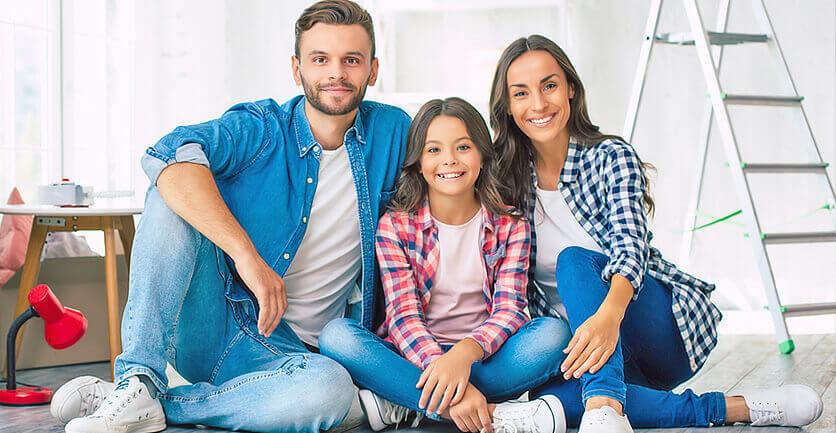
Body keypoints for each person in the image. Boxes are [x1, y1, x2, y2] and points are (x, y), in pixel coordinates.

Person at [48, 1, 411, 432]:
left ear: (373, 70)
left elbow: (455, 172)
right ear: (297, 69)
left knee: (329, 389)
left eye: (351, 60)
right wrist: (246, 256)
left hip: (303, 360)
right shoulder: (261, 128)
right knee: (172, 188)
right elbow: (168, 154)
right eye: (320, 59)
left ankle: (154, 402)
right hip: (218, 323)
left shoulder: (393, 132)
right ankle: (139, 376)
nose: (336, 73)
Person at [488, 34, 824, 433]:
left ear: (571, 89)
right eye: (521, 93)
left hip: (649, 327)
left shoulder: (611, 157)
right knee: (551, 406)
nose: (539, 104)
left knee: (573, 261)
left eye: (549, 85)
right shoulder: (503, 183)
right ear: (507, 107)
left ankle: (600, 403)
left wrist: (607, 318)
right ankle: (734, 407)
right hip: (583, 351)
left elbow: (631, 250)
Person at [319, 97, 571, 433]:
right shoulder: (395, 227)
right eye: (434, 150)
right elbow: (403, 316)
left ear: (482, 154)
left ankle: (405, 400)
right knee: (337, 336)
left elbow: (510, 310)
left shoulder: (512, 225)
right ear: (419, 163)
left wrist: (464, 355)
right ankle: (476, 410)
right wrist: (440, 364)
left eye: (463, 147)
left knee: (554, 335)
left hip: (484, 355)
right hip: (415, 355)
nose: (449, 160)